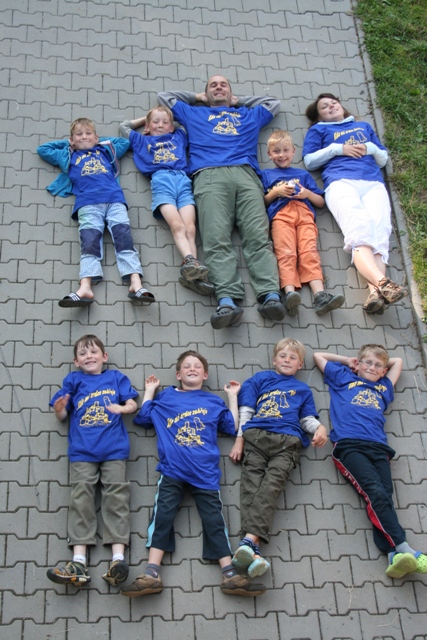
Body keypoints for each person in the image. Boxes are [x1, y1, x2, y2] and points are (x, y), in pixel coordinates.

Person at [120, 350, 266, 598]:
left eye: (197, 366)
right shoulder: (166, 397)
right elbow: (143, 417)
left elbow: (231, 426)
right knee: (162, 517)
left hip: (205, 473)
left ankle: (230, 575)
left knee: (214, 521)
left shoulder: (213, 401)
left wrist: (232, 397)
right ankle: (151, 574)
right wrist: (150, 392)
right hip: (172, 470)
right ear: (178, 374)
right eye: (186, 366)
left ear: (205, 375)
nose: (192, 369)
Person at [158, 75, 285, 329]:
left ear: (230, 92)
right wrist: (197, 98)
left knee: (258, 236)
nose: (218, 87)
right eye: (212, 85)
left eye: (223, 85)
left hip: (246, 175)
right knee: (216, 239)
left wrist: (239, 101)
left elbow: (273, 103)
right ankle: (227, 300)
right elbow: (165, 97)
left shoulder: (248, 115)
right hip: (209, 175)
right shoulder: (194, 113)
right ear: (206, 94)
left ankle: (270, 295)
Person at [313, 344, 427, 579]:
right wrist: (348, 361)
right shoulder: (344, 378)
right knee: (375, 493)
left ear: (384, 371)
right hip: (349, 446)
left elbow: (397, 361)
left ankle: (392, 555)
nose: (373, 368)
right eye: (368, 363)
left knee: (384, 497)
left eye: (378, 366)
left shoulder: (384, 387)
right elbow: (318, 356)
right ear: (359, 364)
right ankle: (404, 547)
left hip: (379, 449)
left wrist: (379, 364)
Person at [228, 338, 327, 577]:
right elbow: (246, 411)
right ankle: (253, 549)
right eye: (283, 356)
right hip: (256, 438)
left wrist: (320, 428)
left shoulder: (303, 390)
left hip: (287, 443)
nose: (287, 360)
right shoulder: (260, 379)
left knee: (270, 488)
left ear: (300, 365)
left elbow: (306, 419)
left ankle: (248, 542)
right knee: (251, 488)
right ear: (274, 360)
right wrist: (239, 439)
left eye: (293, 358)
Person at [303, 93, 408, 315]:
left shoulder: (363, 126)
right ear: (319, 116)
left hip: (373, 184)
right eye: (324, 106)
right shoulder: (319, 130)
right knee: (359, 230)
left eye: (334, 102)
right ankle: (383, 283)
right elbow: (310, 161)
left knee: (379, 234)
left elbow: (382, 159)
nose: (331, 106)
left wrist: (370, 148)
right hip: (341, 182)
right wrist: (338, 149)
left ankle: (375, 294)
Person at [47, 334, 138, 587]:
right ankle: (78, 561)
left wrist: (124, 408)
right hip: (83, 451)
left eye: (93, 352)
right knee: (81, 498)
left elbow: (132, 403)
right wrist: (59, 408)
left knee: (117, 497)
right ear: (76, 361)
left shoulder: (116, 378)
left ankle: (117, 559)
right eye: (83, 354)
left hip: (114, 450)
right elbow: (62, 415)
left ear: (104, 357)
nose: (89, 356)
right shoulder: (73, 380)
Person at [37, 118, 154, 307]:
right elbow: (43, 149)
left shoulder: (105, 150)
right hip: (88, 203)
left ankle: (136, 283)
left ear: (96, 137)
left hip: (114, 200)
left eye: (88, 133)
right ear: (72, 139)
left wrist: (97, 142)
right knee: (89, 242)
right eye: (79, 134)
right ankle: (85, 287)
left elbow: (123, 143)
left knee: (124, 238)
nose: (84, 137)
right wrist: (69, 144)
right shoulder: (68, 155)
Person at [119, 106, 214, 296]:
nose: (160, 125)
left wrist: (171, 121)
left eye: (165, 122)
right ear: (147, 126)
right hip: (162, 182)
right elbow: (124, 126)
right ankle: (190, 260)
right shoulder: (142, 140)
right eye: (155, 122)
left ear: (172, 127)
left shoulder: (178, 137)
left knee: (190, 227)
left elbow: (187, 122)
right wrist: (146, 121)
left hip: (183, 181)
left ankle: (192, 273)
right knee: (177, 225)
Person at [262, 130, 345, 316]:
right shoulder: (266, 174)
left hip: (304, 215)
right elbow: (263, 202)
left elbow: (321, 202)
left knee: (309, 251)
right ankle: (290, 293)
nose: (281, 155)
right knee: (286, 252)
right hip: (281, 216)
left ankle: (320, 295)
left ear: (293, 151)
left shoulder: (303, 174)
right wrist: (276, 192)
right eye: (276, 151)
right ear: (269, 154)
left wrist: (306, 194)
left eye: (285, 150)